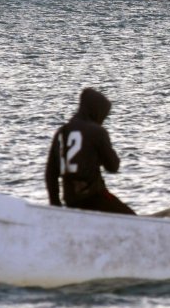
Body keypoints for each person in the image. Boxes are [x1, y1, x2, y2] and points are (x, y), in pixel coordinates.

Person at [45, 87, 135, 215]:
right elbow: (113, 166)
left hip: (71, 201)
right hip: (94, 199)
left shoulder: (61, 132)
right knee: (130, 217)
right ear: (96, 111)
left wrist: (56, 206)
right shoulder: (97, 132)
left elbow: (50, 175)